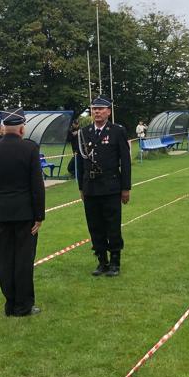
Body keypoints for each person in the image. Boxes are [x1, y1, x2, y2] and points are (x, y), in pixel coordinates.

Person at [0, 109, 45, 317]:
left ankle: (10, 303)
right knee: (24, 260)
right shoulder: (30, 148)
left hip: (2, 212)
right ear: (22, 129)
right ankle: (23, 305)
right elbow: (37, 185)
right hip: (25, 213)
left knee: (6, 259)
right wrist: (39, 215)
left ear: (3, 128)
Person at [76, 97, 132, 277]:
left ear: (109, 111)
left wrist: (126, 188)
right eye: (94, 109)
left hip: (111, 187)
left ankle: (115, 261)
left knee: (112, 225)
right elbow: (79, 163)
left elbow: (125, 161)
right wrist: (81, 188)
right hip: (91, 187)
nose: (97, 112)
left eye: (101, 109)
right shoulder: (83, 132)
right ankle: (102, 261)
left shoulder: (117, 131)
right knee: (95, 225)